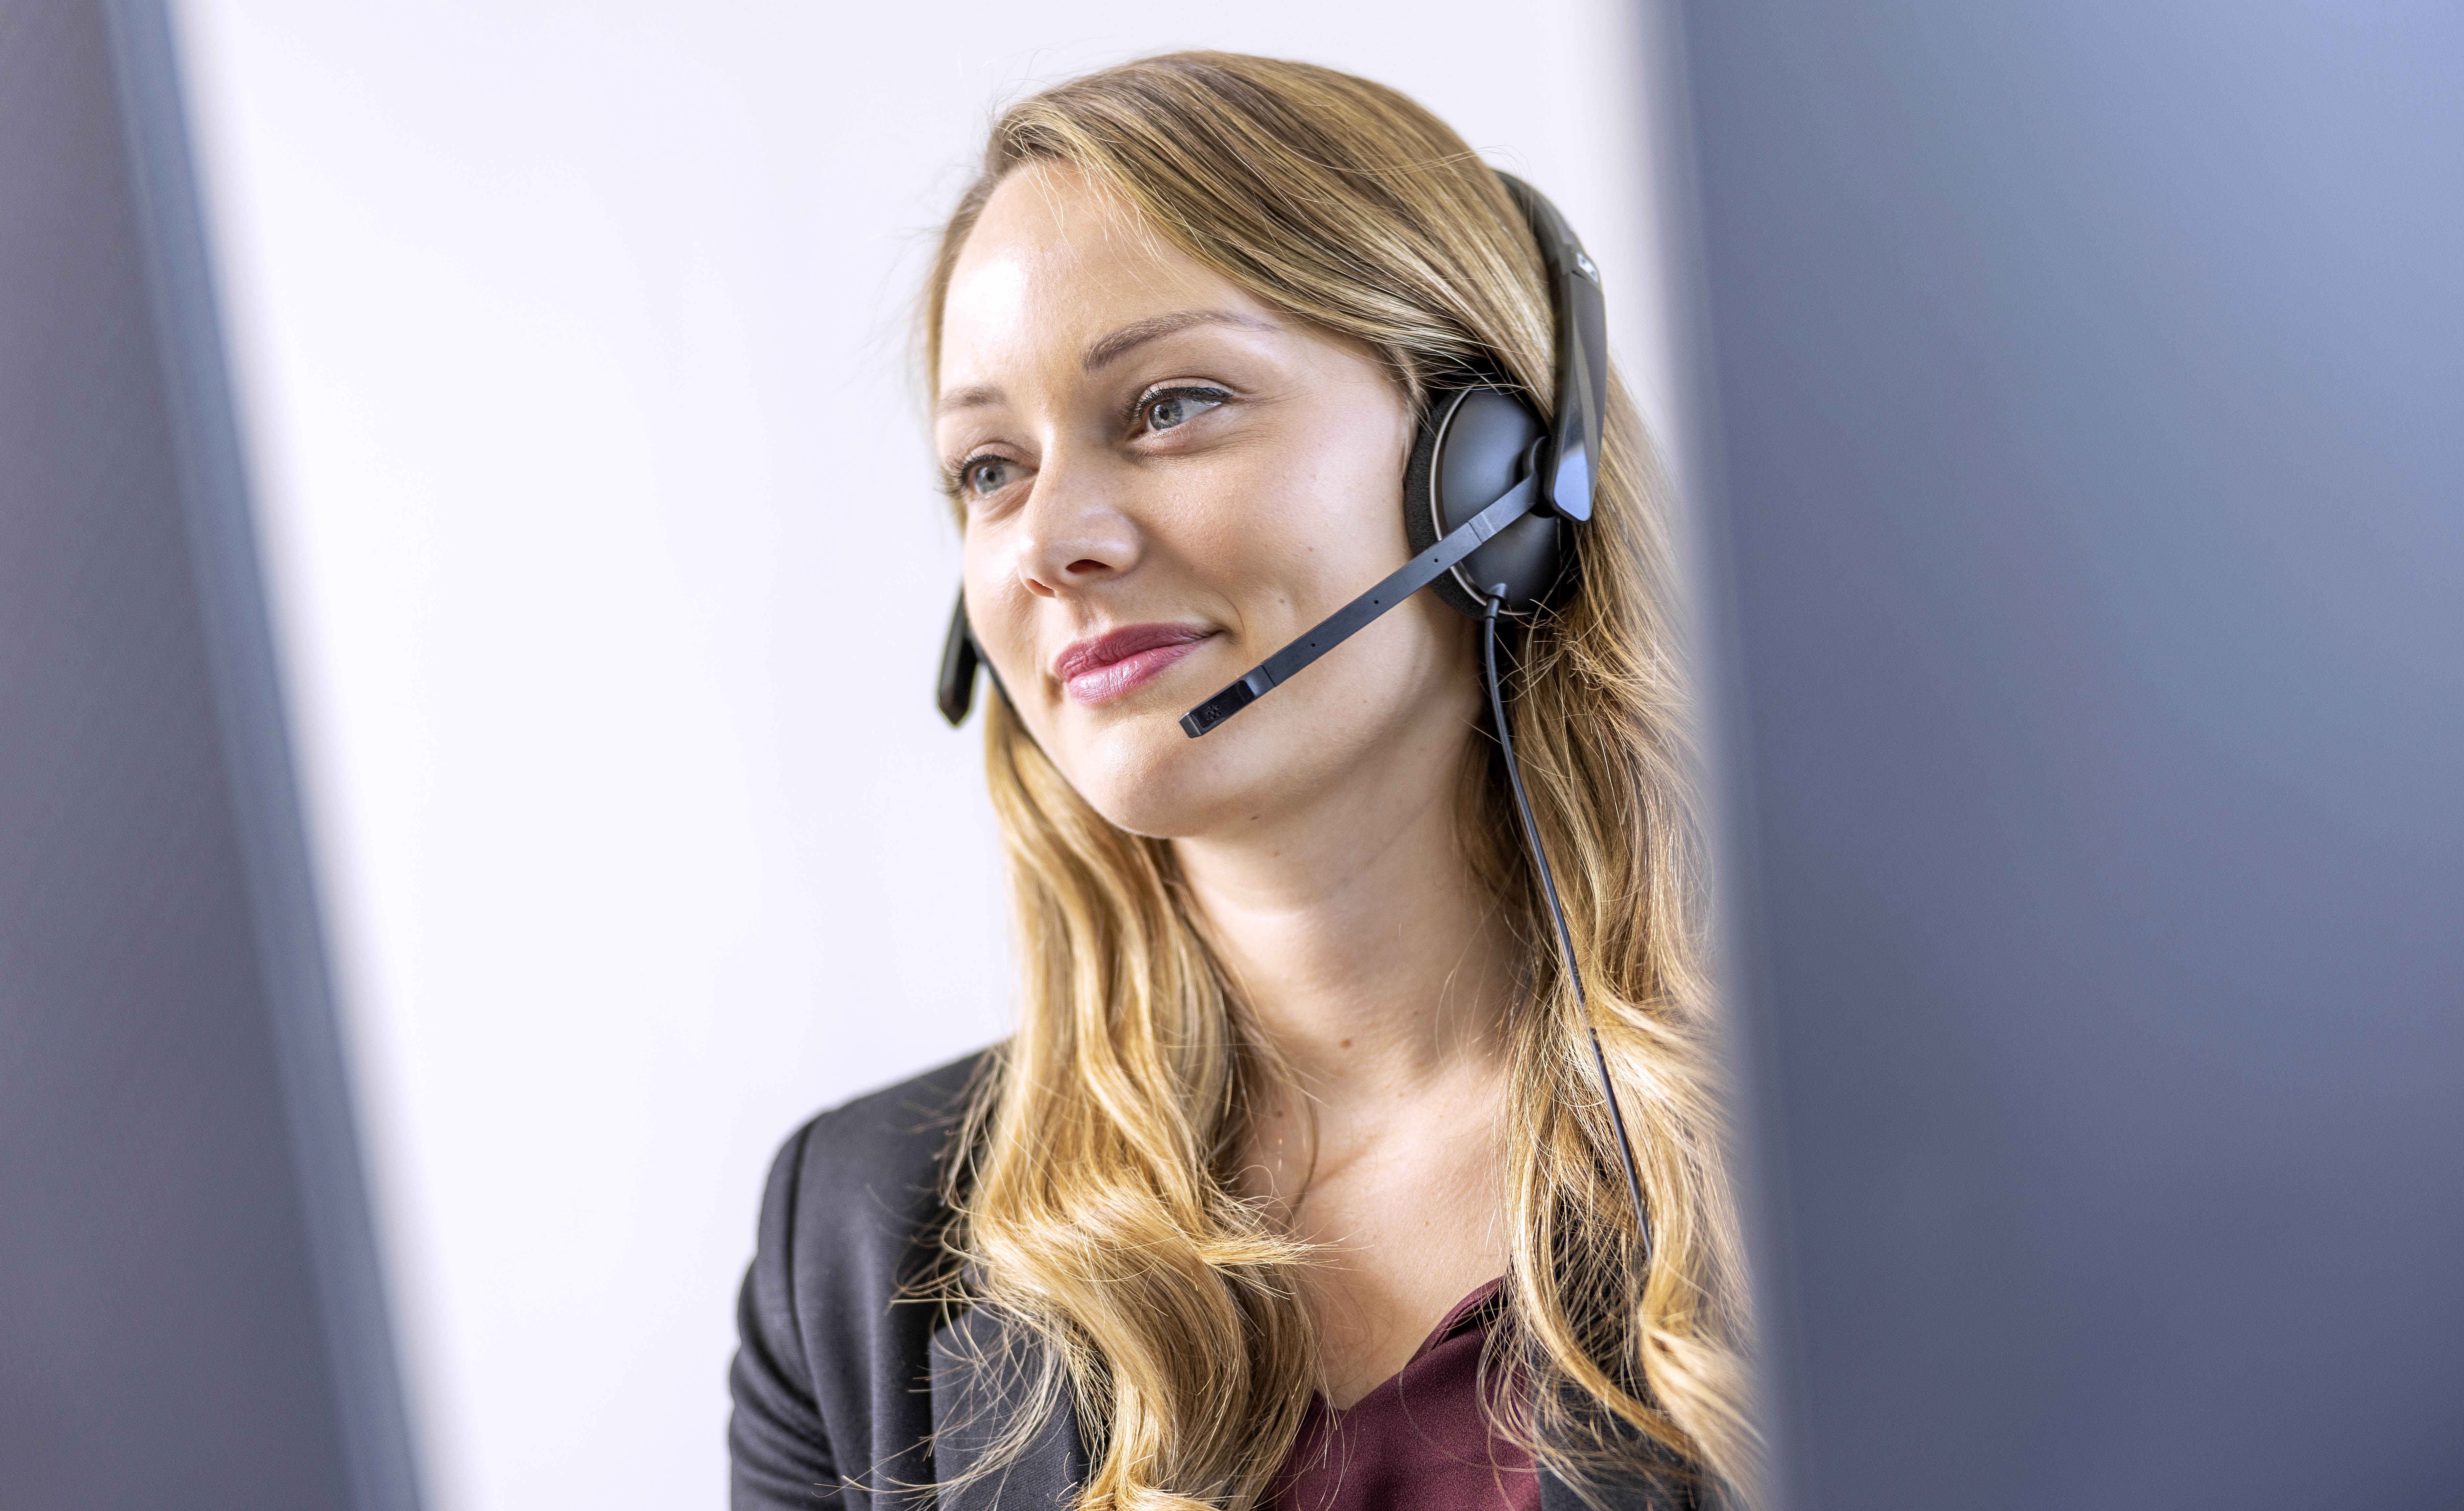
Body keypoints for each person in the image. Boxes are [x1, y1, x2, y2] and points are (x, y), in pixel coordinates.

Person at [731, 51, 1754, 1511]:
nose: (1049, 543)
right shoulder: (860, 1250)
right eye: (986, 469)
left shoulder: (1855, 1127)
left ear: (1491, 469)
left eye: (1168, 405)